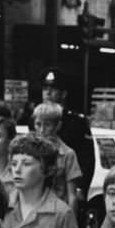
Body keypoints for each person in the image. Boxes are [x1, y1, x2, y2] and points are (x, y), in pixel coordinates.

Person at [37, 67, 94, 203]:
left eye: (53, 89)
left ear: (63, 94)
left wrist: (81, 187)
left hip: (67, 184)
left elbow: (87, 158)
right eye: (45, 89)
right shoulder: (34, 117)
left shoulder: (76, 121)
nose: (48, 93)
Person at [30, 102, 82, 218]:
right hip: (33, 211)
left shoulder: (68, 154)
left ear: (58, 126)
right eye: (38, 124)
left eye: (47, 125)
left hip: (57, 213)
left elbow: (72, 195)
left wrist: (71, 222)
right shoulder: (29, 152)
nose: (42, 130)